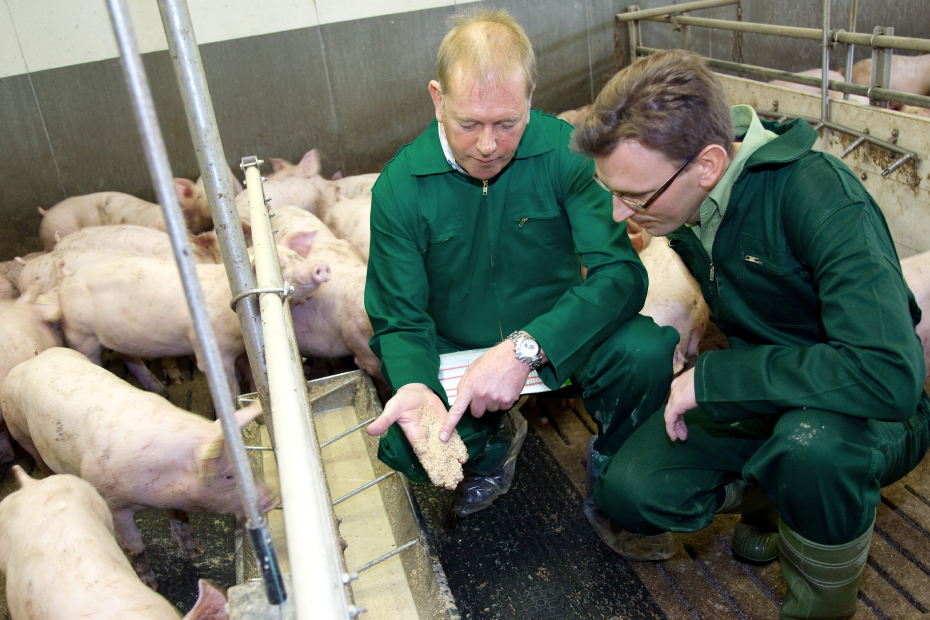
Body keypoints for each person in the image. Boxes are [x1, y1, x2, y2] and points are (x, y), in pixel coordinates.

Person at [572, 48, 930, 619]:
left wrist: (714, 378)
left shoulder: (818, 195)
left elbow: (890, 374)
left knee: (812, 448)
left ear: (708, 165)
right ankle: (776, 498)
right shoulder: (690, 203)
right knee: (632, 490)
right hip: (770, 395)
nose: (620, 215)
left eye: (636, 197)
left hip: (867, 411)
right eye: (611, 192)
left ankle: (819, 607)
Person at [363, 8, 678, 542]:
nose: (488, 145)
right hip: (457, 349)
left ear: (531, 97)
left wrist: (527, 347)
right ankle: (490, 439)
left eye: (507, 124)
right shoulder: (399, 187)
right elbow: (399, 315)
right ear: (438, 99)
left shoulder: (567, 154)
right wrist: (417, 383)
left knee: (644, 351)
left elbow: (620, 274)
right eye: (469, 124)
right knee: (407, 444)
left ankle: (620, 477)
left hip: (555, 336)